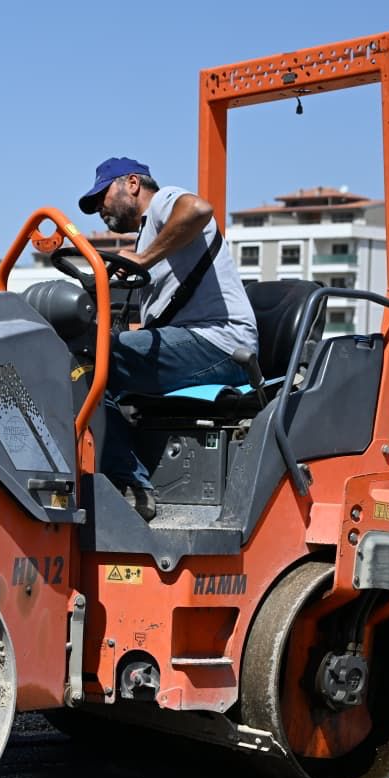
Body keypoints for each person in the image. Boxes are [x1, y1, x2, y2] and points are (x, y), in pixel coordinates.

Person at [77, 157, 257, 520]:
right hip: (194, 341)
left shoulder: (163, 205)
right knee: (85, 356)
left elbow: (199, 208)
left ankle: (130, 485)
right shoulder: (153, 235)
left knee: (92, 364)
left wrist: (143, 259)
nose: (99, 209)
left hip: (221, 343)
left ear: (131, 183)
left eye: (102, 196)